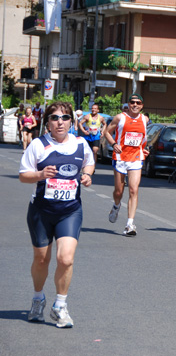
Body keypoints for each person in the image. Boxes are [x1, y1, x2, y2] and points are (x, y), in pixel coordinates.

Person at [19, 101, 95, 328]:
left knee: (66, 258)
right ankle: (37, 298)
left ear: (71, 122)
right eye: (54, 118)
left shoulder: (81, 144)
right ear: (48, 123)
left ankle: (60, 305)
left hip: (70, 211)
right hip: (41, 211)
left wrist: (87, 176)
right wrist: (40, 174)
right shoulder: (38, 145)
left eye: (64, 118)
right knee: (42, 259)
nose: (60, 122)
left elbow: (89, 164)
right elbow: (24, 175)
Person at [104, 93, 149, 236]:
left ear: (142, 106)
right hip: (120, 157)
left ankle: (130, 224)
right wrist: (114, 144)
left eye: (138, 103)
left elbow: (143, 138)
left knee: (133, 190)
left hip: (136, 158)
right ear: (128, 104)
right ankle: (116, 206)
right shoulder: (120, 117)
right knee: (119, 191)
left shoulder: (145, 119)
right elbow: (106, 132)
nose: (135, 105)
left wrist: (144, 150)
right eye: (132, 102)